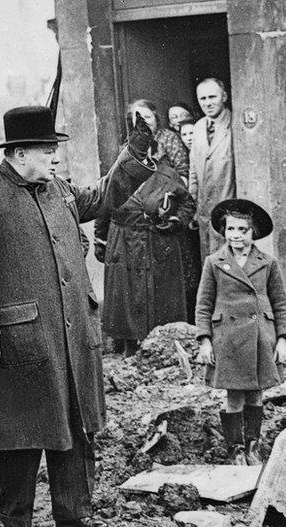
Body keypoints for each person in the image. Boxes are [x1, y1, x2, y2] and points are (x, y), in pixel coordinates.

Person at [0, 105, 155, 527]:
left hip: (72, 332)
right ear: (19, 154)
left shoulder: (56, 187)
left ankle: (74, 512)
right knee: (23, 430)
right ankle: (16, 518)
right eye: (47, 149)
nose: (55, 156)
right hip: (22, 337)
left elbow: (103, 198)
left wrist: (134, 152)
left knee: (76, 422)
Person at [195, 199, 286, 467]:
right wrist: (205, 341)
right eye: (230, 230)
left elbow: (281, 303)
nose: (236, 236)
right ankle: (235, 450)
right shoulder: (214, 262)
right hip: (227, 337)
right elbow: (203, 304)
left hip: (261, 335)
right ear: (223, 231)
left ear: (254, 233)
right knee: (234, 394)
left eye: (242, 230)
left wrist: (283, 339)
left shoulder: (268, 262)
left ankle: (253, 446)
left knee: (256, 393)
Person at [96, 103, 196, 357]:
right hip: (124, 242)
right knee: (128, 300)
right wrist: (101, 239)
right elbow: (103, 206)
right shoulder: (116, 176)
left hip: (157, 242)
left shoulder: (166, 173)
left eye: (145, 152)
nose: (140, 158)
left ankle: (161, 351)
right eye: (134, 153)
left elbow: (187, 203)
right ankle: (129, 351)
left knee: (158, 300)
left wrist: (175, 221)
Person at [189, 77, 235, 260]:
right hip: (204, 213)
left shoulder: (234, 124)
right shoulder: (199, 127)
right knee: (209, 265)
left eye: (212, 97)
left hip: (229, 212)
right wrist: (192, 206)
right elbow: (193, 171)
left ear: (224, 96)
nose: (207, 103)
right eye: (203, 99)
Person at [130, 99, 188, 180]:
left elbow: (182, 171)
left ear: (156, 119)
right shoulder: (130, 143)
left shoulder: (169, 137)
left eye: (148, 117)